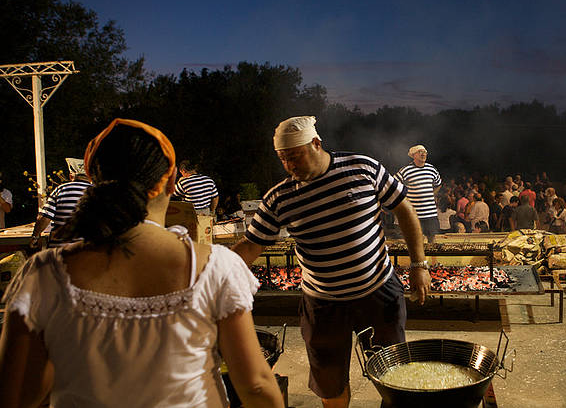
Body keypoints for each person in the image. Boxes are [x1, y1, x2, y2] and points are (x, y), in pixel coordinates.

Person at [0, 118, 284, 408]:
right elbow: (257, 386)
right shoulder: (215, 267)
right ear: (173, 181)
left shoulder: (43, 273)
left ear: (92, 179)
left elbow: (18, 394)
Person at [233, 116, 431, 408]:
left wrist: (419, 265)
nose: (289, 165)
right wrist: (206, 272)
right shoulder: (279, 198)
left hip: (378, 294)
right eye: (283, 159)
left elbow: (404, 209)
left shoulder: (362, 167)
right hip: (323, 305)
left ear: (316, 143)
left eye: (295, 156)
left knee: (393, 376)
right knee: (330, 384)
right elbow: (250, 246)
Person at [29, 158, 93, 249]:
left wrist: (35, 236)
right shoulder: (97, 192)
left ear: (71, 176)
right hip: (86, 252)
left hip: (60, 251)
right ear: (90, 176)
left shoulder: (61, 189)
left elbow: (44, 217)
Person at [396, 144, 442, 244]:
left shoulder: (431, 169)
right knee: (416, 239)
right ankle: (419, 260)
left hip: (430, 212)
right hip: (414, 213)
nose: (423, 154)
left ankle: (432, 260)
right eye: (420, 152)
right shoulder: (406, 170)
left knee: (432, 239)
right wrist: (403, 199)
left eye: (425, 152)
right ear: (413, 155)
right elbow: (394, 185)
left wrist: (432, 195)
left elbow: (438, 184)